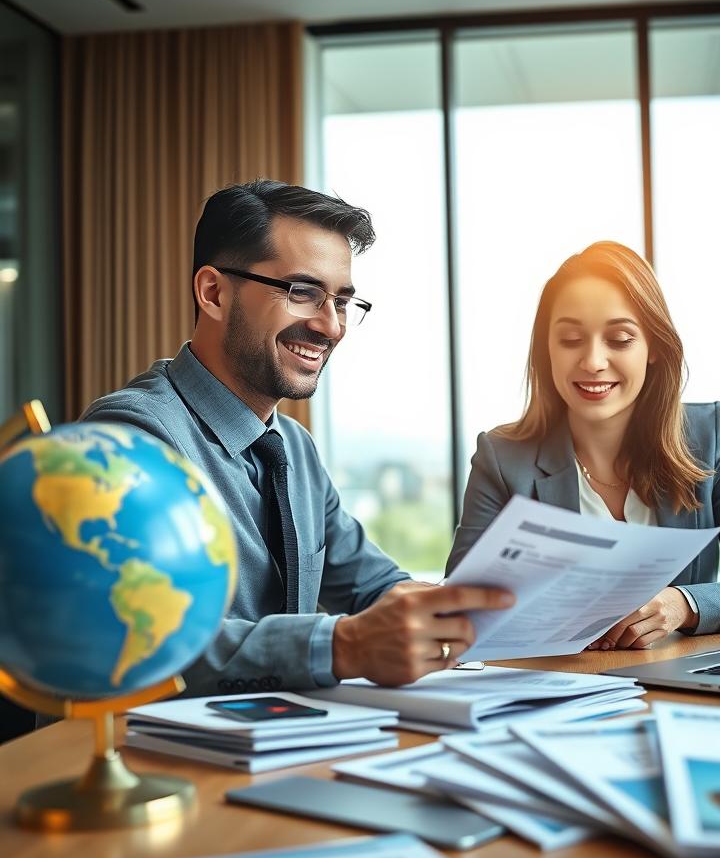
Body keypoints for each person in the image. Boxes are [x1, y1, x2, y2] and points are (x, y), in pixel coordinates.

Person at [82, 179, 512, 695]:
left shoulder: (292, 448)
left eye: (343, 302)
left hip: (275, 747)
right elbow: (134, 637)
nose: (331, 327)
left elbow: (378, 589)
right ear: (214, 293)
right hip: (148, 761)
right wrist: (344, 646)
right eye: (302, 292)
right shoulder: (129, 440)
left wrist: (550, 605)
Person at [446, 241, 720, 649]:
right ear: (546, 350)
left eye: (620, 340)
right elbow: (456, 612)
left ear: (654, 347)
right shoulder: (502, 458)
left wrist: (685, 604)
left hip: (680, 688)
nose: (592, 361)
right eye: (570, 339)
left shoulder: (705, 439)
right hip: (556, 691)